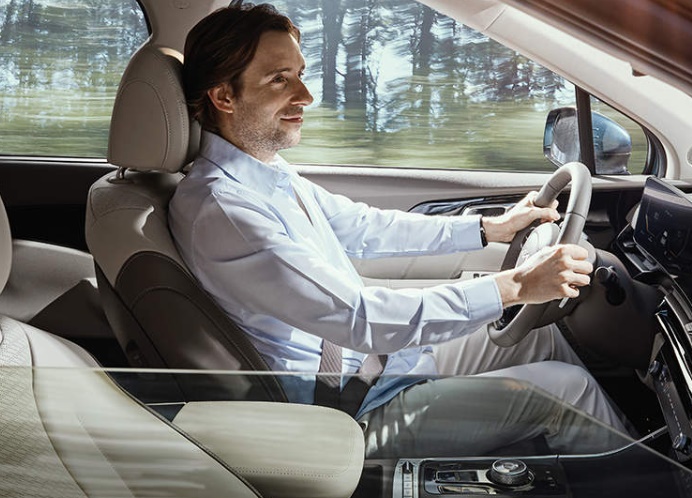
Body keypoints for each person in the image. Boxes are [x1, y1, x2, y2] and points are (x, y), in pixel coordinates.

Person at [169, 2, 629, 457]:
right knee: (568, 392)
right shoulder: (224, 211)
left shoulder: (263, 173)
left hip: (378, 366)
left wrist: (490, 229)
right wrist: (516, 286)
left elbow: (363, 226)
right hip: (349, 409)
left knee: (538, 336)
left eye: (301, 74)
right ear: (224, 97)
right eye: (279, 79)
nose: (306, 95)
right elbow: (360, 319)